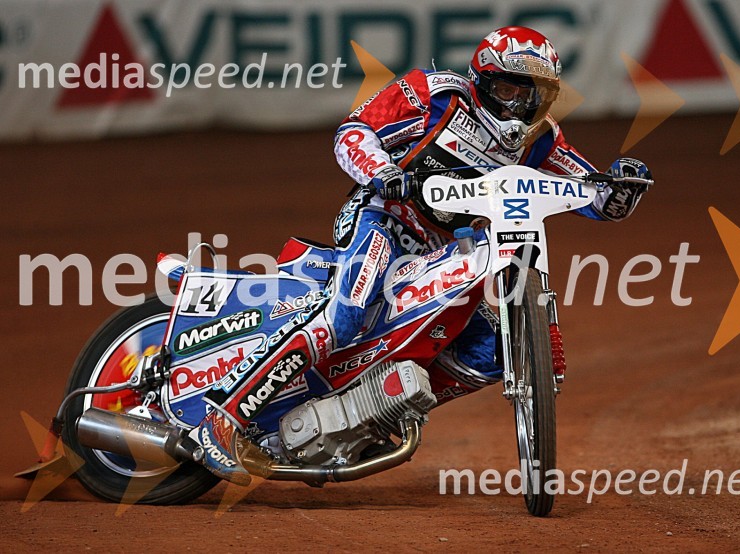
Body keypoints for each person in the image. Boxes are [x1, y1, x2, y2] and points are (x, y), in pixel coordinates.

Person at [194, 26, 653, 485]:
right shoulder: (433, 96)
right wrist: (383, 172)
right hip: (383, 220)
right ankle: (222, 415)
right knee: (348, 317)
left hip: (445, 253)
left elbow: (590, 193)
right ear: (482, 82)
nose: (516, 105)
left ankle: (371, 414)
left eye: (530, 95)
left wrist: (619, 190)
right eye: (507, 89)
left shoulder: (541, 140)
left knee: (492, 353)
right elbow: (353, 132)